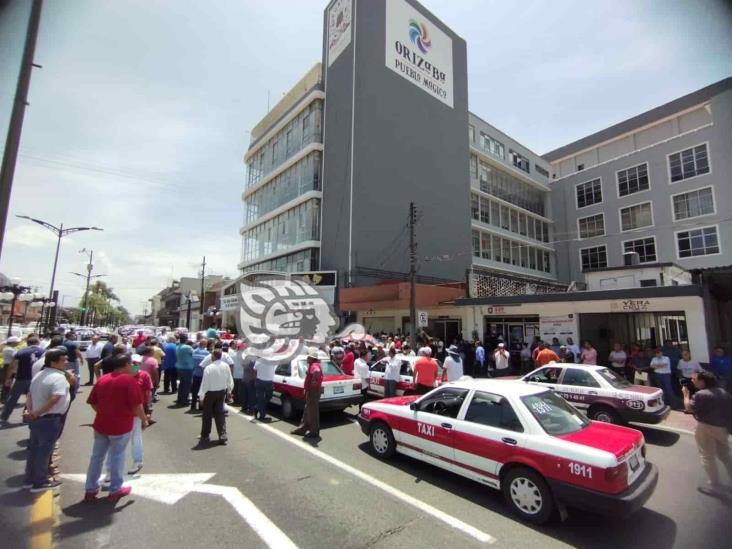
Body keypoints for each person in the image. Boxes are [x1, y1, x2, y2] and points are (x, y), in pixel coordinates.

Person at [83, 354, 148, 503]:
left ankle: (90, 489)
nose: (133, 366)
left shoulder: (103, 379)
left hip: (101, 424)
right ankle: (115, 489)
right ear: (126, 365)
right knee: (117, 456)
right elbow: (136, 406)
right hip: (121, 425)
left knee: (96, 457)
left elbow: (92, 402)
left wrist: (104, 412)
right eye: (131, 363)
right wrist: (144, 419)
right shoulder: (129, 381)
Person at [22, 346, 70, 492]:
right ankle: (40, 481)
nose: (66, 362)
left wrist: (31, 412)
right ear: (53, 363)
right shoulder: (59, 377)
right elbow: (55, 399)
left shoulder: (40, 374)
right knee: (44, 451)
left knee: (34, 450)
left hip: (37, 419)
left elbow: (29, 395)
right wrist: (37, 412)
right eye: (63, 360)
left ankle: (29, 479)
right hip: (49, 419)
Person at [682, 371, 732, 497]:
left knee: (707, 456)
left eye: (694, 379)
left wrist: (686, 395)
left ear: (703, 381)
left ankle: (715, 486)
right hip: (722, 428)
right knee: (725, 456)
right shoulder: (723, 392)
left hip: (706, 427)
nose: (692, 381)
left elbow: (689, 408)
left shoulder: (701, 394)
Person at [106, 354, 153, 476]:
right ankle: (111, 468)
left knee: (136, 437)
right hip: (120, 413)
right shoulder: (121, 376)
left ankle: (137, 461)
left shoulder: (144, 375)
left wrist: (147, 411)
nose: (135, 366)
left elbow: (148, 394)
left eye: (138, 364)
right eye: (133, 363)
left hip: (136, 412)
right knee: (117, 441)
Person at [1, 335, 44, 424]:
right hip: (36, 379)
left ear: (27, 343)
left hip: (21, 378)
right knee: (31, 399)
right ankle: (26, 418)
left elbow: (13, 366)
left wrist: (8, 378)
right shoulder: (43, 352)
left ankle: (4, 417)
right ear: (38, 343)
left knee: (12, 398)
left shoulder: (20, 352)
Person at [197, 349, 233, 445]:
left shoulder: (209, 368)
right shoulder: (226, 366)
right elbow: (229, 379)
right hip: (221, 392)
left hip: (210, 393)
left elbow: (204, 384)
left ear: (213, 356)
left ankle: (205, 435)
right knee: (220, 414)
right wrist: (229, 391)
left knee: (207, 415)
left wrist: (201, 397)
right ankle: (222, 435)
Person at [291, 347, 323, 439]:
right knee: (307, 411)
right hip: (313, 391)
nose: (307, 359)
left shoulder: (314, 365)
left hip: (313, 391)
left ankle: (314, 431)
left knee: (312, 411)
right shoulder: (314, 365)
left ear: (312, 358)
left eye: (308, 357)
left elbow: (316, 372)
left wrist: (313, 381)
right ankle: (302, 429)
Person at [253, 357, 276, 421]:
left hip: (264, 381)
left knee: (266, 397)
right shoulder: (261, 360)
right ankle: (262, 415)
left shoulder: (271, 360)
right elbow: (255, 370)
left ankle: (256, 407)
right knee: (263, 398)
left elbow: (255, 370)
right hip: (263, 381)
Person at [190, 339, 210, 412]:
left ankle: (192, 406)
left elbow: (192, 362)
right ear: (204, 344)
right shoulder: (207, 353)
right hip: (203, 374)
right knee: (202, 391)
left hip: (195, 373)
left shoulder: (194, 351)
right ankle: (201, 406)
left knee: (195, 391)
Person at [175, 335, 194, 406]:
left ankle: (180, 399)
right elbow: (193, 354)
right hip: (187, 368)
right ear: (186, 340)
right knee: (187, 384)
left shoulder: (177, 347)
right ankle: (184, 400)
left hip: (179, 367)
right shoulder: (188, 347)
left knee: (182, 384)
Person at [1, 336, 20, 403]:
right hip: (9, 367)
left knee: (7, 383)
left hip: (9, 367)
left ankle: (5, 399)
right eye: (17, 341)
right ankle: (6, 399)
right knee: (7, 383)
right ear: (13, 342)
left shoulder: (9, 348)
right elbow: (16, 357)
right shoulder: (10, 350)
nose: (18, 342)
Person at [240, 350, 257, 415]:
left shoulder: (245, 359)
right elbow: (254, 370)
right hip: (250, 379)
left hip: (245, 378)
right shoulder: (253, 360)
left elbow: (243, 365)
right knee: (251, 395)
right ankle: (251, 409)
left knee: (245, 394)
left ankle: (244, 407)